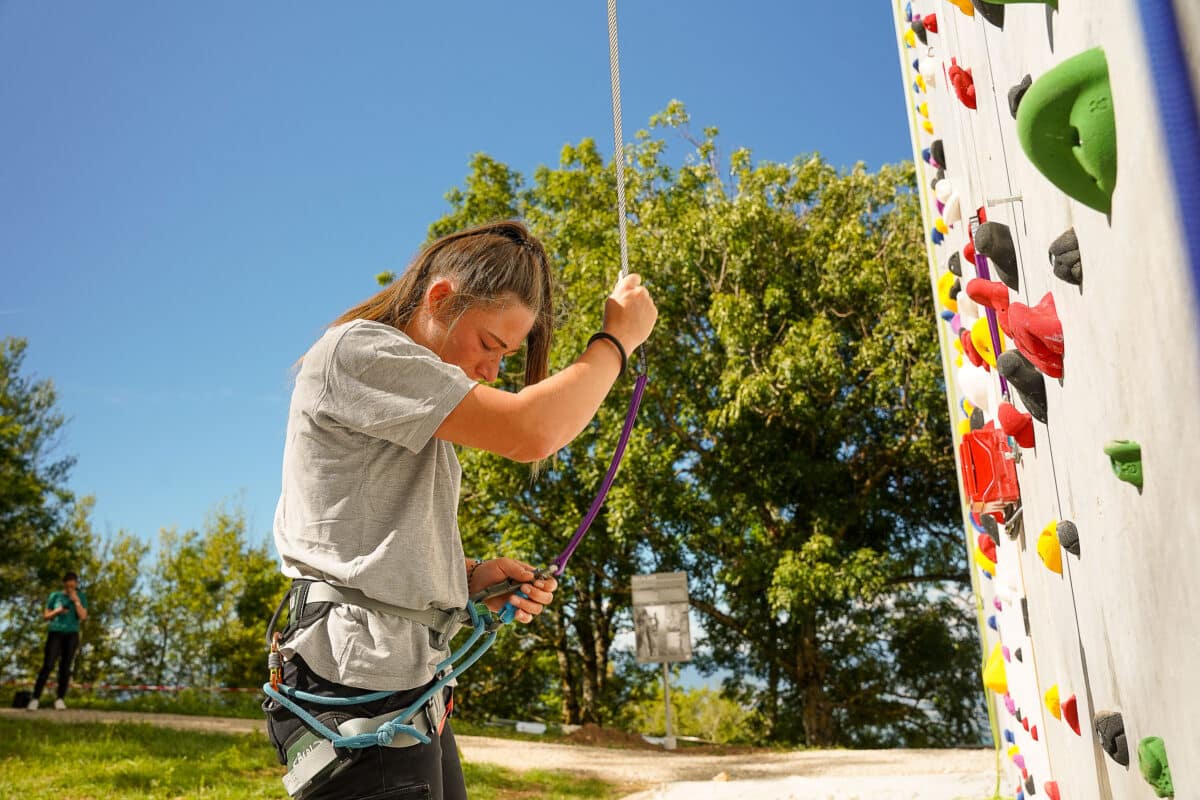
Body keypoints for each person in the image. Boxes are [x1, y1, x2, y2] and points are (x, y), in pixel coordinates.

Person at [265, 220, 657, 799]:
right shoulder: (361, 351)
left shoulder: (409, 393)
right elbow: (531, 430)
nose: (492, 371)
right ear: (440, 298)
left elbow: (368, 535)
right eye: (490, 345)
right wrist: (615, 342)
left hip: (404, 679)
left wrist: (466, 580)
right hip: (355, 677)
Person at [28, 571, 89, 711]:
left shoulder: (81, 596)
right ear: (64, 584)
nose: (70, 590)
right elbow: (46, 616)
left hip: (72, 634)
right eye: (68, 587)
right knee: (48, 665)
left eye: (73, 587)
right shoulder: (55, 596)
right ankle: (35, 698)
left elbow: (83, 616)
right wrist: (58, 610)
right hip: (55, 632)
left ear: (76, 585)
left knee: (65, 667)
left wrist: (76, 601)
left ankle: (60, 699)